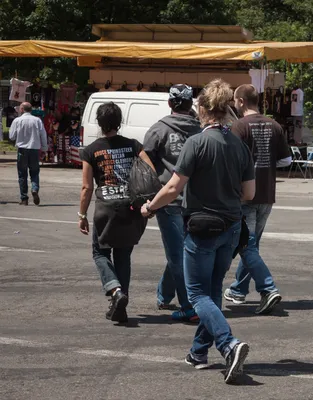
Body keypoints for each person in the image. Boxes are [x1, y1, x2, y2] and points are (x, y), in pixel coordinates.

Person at [140, 79, 255, 384]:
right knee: (214, 290)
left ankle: (229, 344)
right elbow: (249, 193)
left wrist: (150, 206)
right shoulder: (239, 145)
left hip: (203, 226)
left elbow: (174, 186)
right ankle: (198, 352)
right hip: (231, 226)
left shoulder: (197, 143)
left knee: (197, 294)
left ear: (202, 109)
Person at [79, 102, 155, 323]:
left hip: (106, 210)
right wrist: (150, 204)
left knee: (100, 253)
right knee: (123, 256)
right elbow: (150, 173)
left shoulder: (91, 150)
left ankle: (115, 291)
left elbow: (87, 188)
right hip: (130, 209)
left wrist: (82, 215)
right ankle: (121, 304)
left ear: (99, 123)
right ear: (119, 122)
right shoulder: (134, 145)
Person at [223, 84, 291, 315]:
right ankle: (238, 290)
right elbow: (286, 161)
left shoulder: (238, 127)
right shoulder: (274, 125)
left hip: (244, 195)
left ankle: (267, 288)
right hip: (267, 194)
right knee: (251, 244)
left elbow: (230, 162)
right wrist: (266, 164)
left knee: (246, 244)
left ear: (241, 102)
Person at [144, 84, 201, 322]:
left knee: (177, 254)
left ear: (170, 103)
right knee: (183, 251)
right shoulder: (201, 130)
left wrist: (155, 184)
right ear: (190, 105)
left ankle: (188, 305)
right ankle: (164, 295)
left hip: (168, 200)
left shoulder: (158, 130)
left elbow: (144, 156)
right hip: (197, 201)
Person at [9, 102, 48, 206]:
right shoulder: (37, 120)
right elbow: (43, 134)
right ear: (31, 110)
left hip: (22, 149)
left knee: (22, 174)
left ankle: (24, 198)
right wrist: (44, 147)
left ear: (22, 109)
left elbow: (11, 136)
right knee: (34, 172)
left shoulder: (17, 120)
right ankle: (34, 188)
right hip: (34, 149)